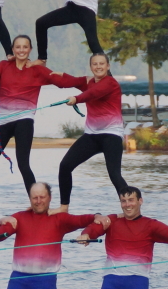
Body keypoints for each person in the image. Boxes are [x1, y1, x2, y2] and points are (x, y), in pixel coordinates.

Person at [0, 35, 62, 220]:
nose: (21, 50)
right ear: (13, 49)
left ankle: (39, 211)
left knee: (23, 164)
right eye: (18, 47)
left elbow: (64, 82)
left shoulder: (38, 70)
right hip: (1, 121)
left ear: (30, 50)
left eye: (25, 47)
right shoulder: (3, 66)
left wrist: (87, 83)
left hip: (24, 119)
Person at [51, 53, 127, 211]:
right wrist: (54, 75)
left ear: (108, 66)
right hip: (92, 135)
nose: (98, 67)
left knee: (114, 174)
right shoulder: (89, 82)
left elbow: (93, 93)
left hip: (111, 134)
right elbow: (71, 81)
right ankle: (64, 207)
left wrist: (76, 99)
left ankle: (130, 208)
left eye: (101, 64)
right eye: (95, 64)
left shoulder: (110, 83)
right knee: (65, 166)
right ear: (91, 67)